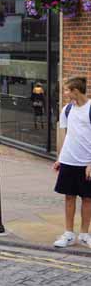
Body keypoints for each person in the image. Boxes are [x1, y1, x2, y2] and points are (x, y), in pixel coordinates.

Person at [52, 77, 91, 248]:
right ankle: (68, 234)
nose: (65, 93)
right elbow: (65, 135)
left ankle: (84, 234)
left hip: (86, 162)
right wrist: (60, 158)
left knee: (88, 199)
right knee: (69, 197)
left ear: (76, 91)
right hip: (69, 160)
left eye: (67, 90)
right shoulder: (67, 109)